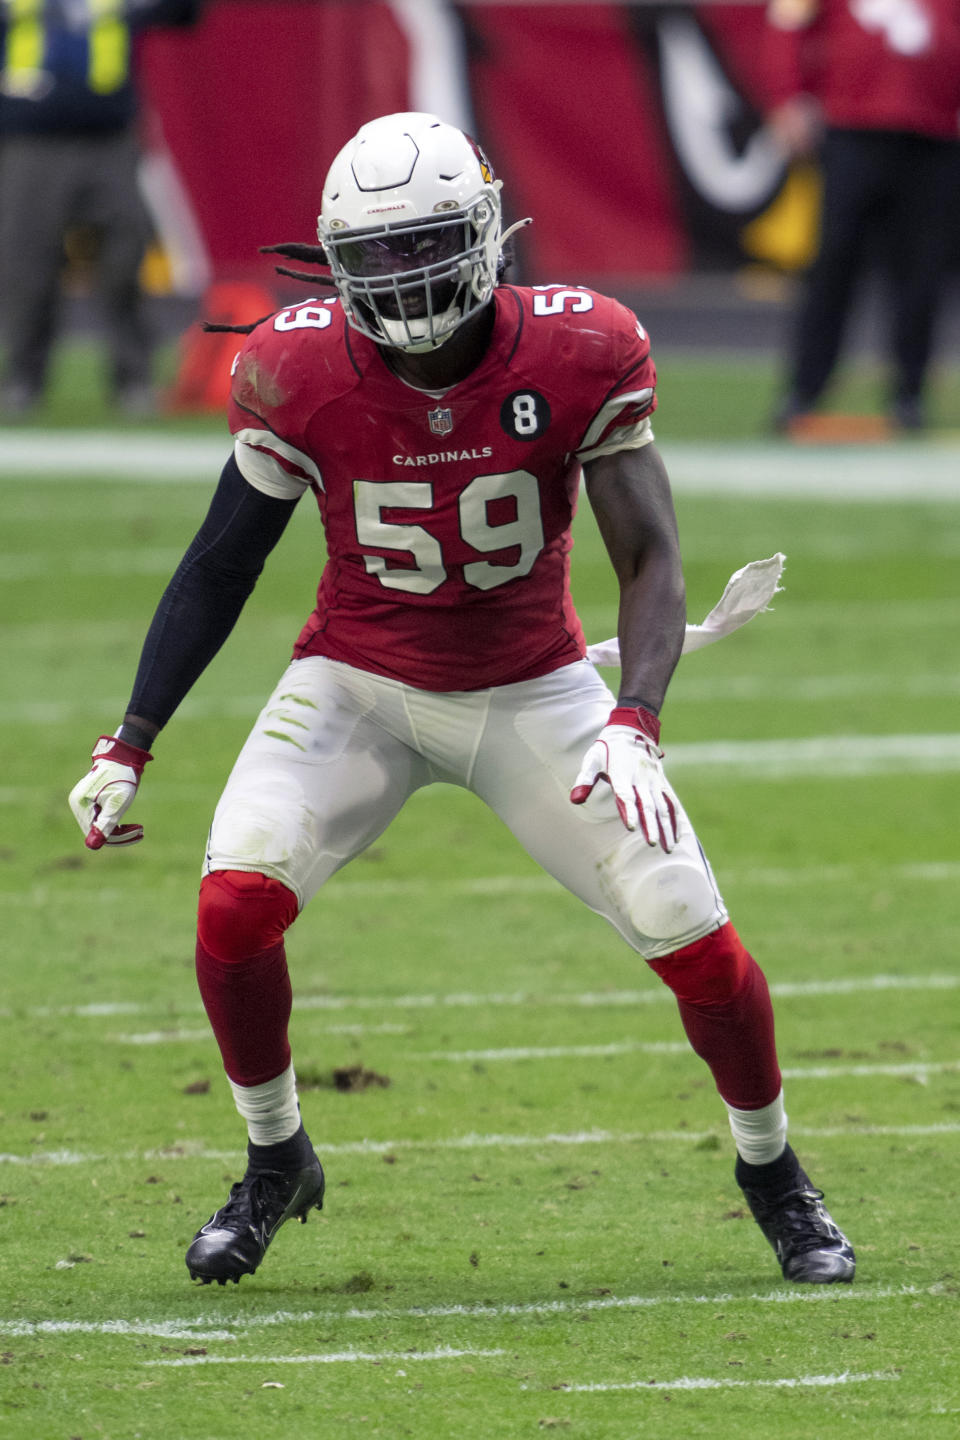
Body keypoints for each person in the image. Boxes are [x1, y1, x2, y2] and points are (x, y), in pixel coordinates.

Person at [68, 111, 855, 1289]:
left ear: (486, 232)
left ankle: (774, 1174)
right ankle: (277, 1158)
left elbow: (652, 559)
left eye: (424, 242)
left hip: (534, 689)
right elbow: (219, 562)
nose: (402, 276)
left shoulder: (581, 348)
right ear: (335, 262)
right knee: (233, 900)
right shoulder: (294, 367)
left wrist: (635, 719)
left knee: (688, 918)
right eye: (373, 255)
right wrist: (131, 739)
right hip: (357, 684)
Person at [764, 0, 960, 434]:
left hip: (936, 135)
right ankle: (805, 389)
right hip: (851, 127)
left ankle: (910, 393)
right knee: (833, 262)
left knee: (921, 269)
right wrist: (786, 96)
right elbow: (786, 23)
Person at [0, 0, 202, 416]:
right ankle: (23, 379)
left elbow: (184, 13)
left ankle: (133, 380)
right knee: (27, 265)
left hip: (108, 141)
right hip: (31, 142)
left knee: (123, 260)